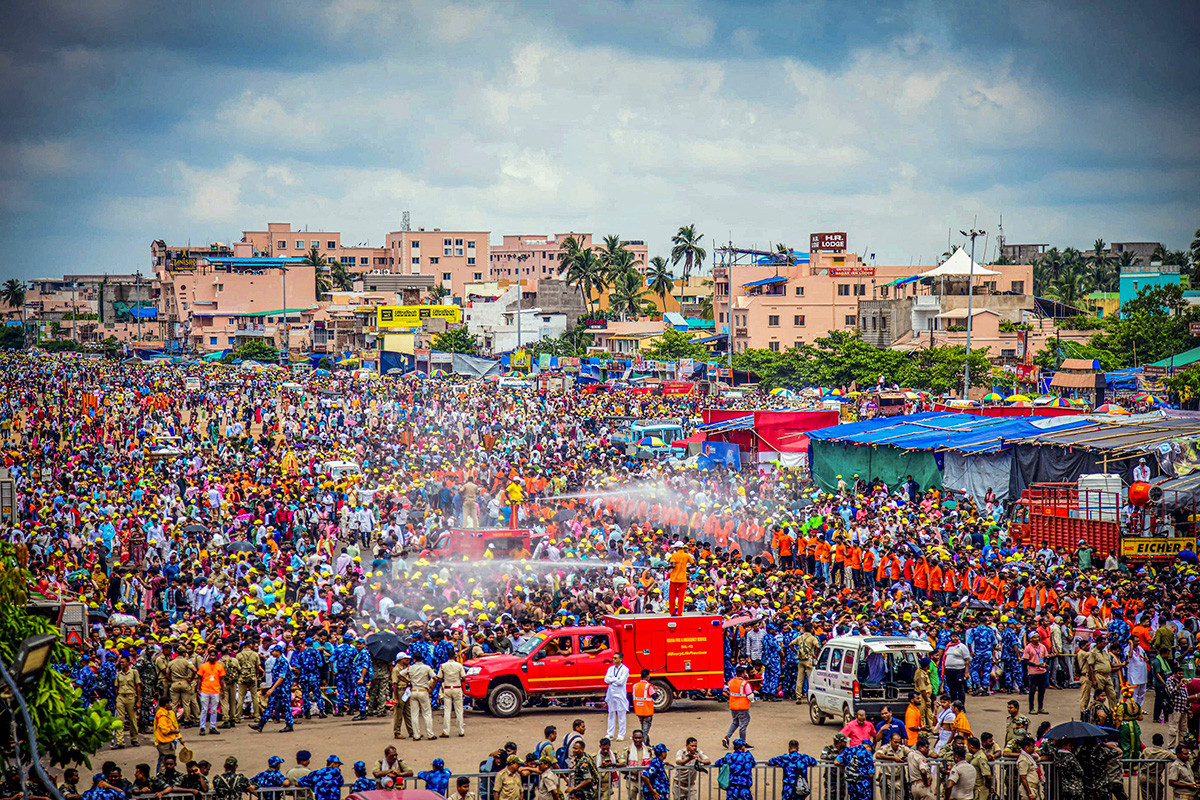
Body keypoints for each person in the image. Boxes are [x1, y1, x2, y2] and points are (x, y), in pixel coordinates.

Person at [250, 644, 294, 733]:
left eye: (274, 651)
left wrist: (272, 688)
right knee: (270, 705)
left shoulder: (283, 662)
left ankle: (289, 725)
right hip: (277, 688)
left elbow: (281, 677)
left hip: (283, 688)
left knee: (286, 706)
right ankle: (261, 724)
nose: (272, 652)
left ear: (278, 652)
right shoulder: (278, 661)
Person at [830, 732, 873, 800]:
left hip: (852, 784)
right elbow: (871, 773)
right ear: (868, 747)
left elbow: (836, 761)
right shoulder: (868, 754)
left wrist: (847, 763)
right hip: (863, 785)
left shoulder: (849, 750)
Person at [406, 654, 438, 741]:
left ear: (414, 659)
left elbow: (400, 675)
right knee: (427, 713)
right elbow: (435, 678)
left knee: (414, 714)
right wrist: (431, 688)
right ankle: (430, 734)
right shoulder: (427, 667)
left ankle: (416, 735)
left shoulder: (410, 668)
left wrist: (409, 682)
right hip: (423, 691)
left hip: (413, 691)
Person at [112, 656, 142, 749]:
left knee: (132, 719)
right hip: (121, 697)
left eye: (123, 662)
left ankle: (134, 738)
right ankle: (120, 741)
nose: (121, 664)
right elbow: (116, 688)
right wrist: (116, 701)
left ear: (128, 663)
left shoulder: (134, 673)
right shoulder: (118, 674)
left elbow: (138, 687)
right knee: (120, 720)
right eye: (120, 662)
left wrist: (138, 700)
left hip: (131, 697)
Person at [437, 650, 467, 738]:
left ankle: (446, 731)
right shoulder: (459, 665)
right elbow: (464, 678)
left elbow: (439, 678)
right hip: (457, 688)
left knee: (447, 710)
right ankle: (461, 730)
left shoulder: (443, 666)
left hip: (447, 688)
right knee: (459, 710)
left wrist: (445, 680)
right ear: (454, 656)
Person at [723, 664, 753, 749]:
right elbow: (750, 696)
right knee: (743, 725)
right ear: (743, 674)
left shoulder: (731, 681)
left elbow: (725, 690)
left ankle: (727, 737)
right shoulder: (745, 684)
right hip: (743, 707)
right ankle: (742, 743)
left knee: (735, 722)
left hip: (733, 706)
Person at [196, 647, 225, 737]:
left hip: (215, 690)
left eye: (213, 655)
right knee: (204, 710)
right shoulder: (203, 666)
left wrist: (222, 690)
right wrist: (198, 688)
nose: (212, 657)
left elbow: (222, 679)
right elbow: (199, 678)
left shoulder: (220, 666)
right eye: (210, 655)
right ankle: (202, 727)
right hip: (205, 690)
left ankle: (212, 727)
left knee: (214, 710)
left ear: (216, 657)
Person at [1021, 632, 1050, 716]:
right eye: (1034, 637)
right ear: (1031, 639)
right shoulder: (1028, 648)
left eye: (1037, 637)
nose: (1036, 639)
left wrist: (1044, 664)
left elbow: (1046, 657)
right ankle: (1031, 708)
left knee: (1042, 690)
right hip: (1033, 672)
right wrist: (1035, 664)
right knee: (1032, 690)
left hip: (1042, 671)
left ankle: (1040, 707)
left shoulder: (1042, 647)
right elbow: (1025, 661)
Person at [604, 652, 630, 741]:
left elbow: (621, 682)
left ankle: (621, 734)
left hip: (620, 694)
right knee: (611, 713)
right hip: (611, 693)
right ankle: (610, 733)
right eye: (613, 658)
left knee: (621, 714)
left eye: (615, 658)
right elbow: (606, 679)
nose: (614, 660)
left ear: (621, 659)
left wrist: (612, 680)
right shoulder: (611, 668)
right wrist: (615, 679)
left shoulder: (625, 669)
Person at [623, 729, 653, 800]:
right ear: (633, 738)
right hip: (632, 780)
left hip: (645, 781)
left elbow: (653, 765)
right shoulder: (628, 751)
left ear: (642, 738)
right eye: (636, 738)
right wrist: (632, 771)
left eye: (639, 738)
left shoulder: (649, 751)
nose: (638, 740)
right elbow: (622, 767)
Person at [152, 697, 180, 772]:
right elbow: (165, 731)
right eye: (170, 703)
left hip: (169, 741)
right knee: (165, 762)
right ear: (166, 705)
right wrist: (175, 731)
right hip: (164, 743)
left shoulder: (168, 713)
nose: (172, 705)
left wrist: (179, 737)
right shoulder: (162, 715)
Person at [666, 542, 693, 615]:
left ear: (678, 548)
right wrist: (686, 568)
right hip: (683, 579)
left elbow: (673, 565)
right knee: (681, 597)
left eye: (675, 547)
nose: (674, 548)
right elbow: (694, 564)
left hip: (674, 579)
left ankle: (672, 612)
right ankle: (680, 612)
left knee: (672, 597)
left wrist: (668, 567)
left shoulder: (674, 555)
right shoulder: (687, 555)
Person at [391, 652, 414, 740]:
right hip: (400, 692)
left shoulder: (405, 668)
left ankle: (411, 731)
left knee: (408, 712)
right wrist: (396, 698)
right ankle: (397, 732)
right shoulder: (396, 669)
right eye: (406, 659)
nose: (408, 660)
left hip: (406, 691)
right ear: (401, 660)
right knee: (398, 714)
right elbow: (395, 684)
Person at [943, 634, 970, 706]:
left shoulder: (962, 647)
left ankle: (961, 706)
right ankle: (953, 705)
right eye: (953, 636)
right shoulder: (948, 646)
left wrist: (966, 672)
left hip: (959, 670)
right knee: (952, 689)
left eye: (956, 636)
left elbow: (967, 660)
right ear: (951, 637)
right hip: (949, 670)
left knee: (960, 689)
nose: (955, 638)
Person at [631, 669, 656, 742]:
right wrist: (656, 691)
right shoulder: (648, 686)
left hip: (639, 711)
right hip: (647, 712)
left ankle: (647, 743)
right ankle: (643, 745)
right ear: (647, 677)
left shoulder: (635, 686)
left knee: (643, 728)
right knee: (645, 731)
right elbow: (655, 696)